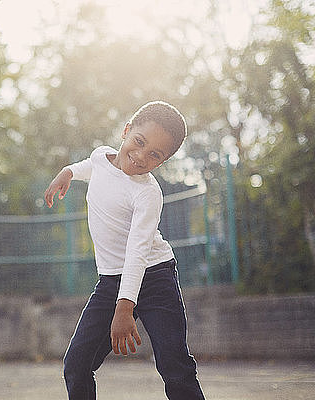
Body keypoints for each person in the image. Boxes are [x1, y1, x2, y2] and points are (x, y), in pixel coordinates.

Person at [44, 101, 205, 400]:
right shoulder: (101, 157)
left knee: (174, 367)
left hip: (155, 279)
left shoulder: (146, 193)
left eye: (154, 155)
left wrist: (124, 307)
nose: (140, 156)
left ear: (162, 161)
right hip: (111, 282)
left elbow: (137, 253)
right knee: (76, 365)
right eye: (139, 142)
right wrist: (68, 172)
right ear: (126, 131)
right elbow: (94, 166)